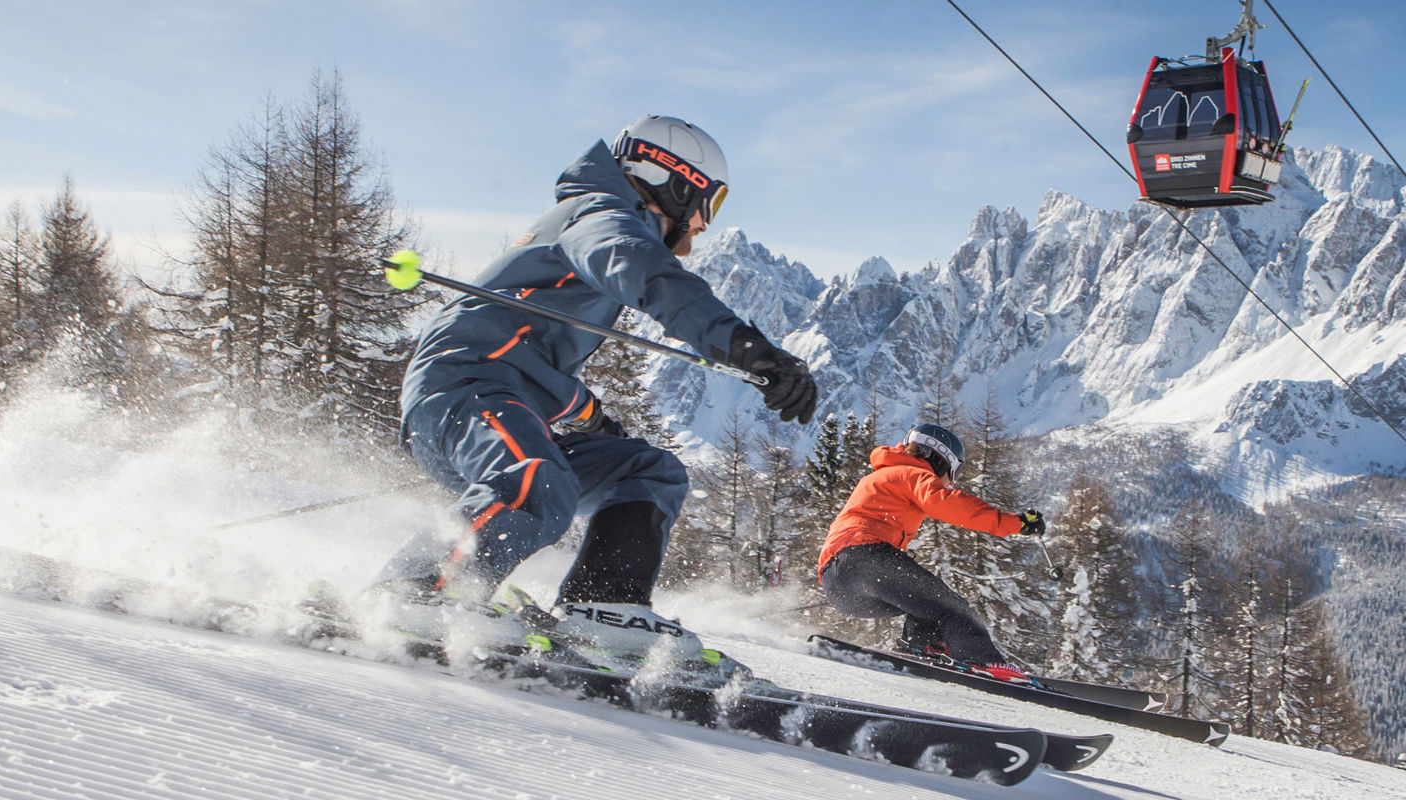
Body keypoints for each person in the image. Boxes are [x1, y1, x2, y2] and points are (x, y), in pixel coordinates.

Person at [368, 115, 817, 672]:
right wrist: (745, 345)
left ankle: (605, 606)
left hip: (502, 393)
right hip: (461, 388)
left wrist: (592, 421)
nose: (703, 225)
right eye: (708, 202)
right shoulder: (600, 216)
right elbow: (646, 274)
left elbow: (533, 357)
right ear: (674, 181)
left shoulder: (595, 221)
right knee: (538, 477)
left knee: (648, 471)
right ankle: (417, 590)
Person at [816, 423, 1046, 684]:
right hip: (865, 557)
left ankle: (924, 647)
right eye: (953, 471)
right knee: (953, 609)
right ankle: (984, 662)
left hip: (838, 581)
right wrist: (1015, 523)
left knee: (925, 604)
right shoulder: (911, 474)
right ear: (938, 459)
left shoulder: (881, 476)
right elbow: (948, 503)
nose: (950, 481)